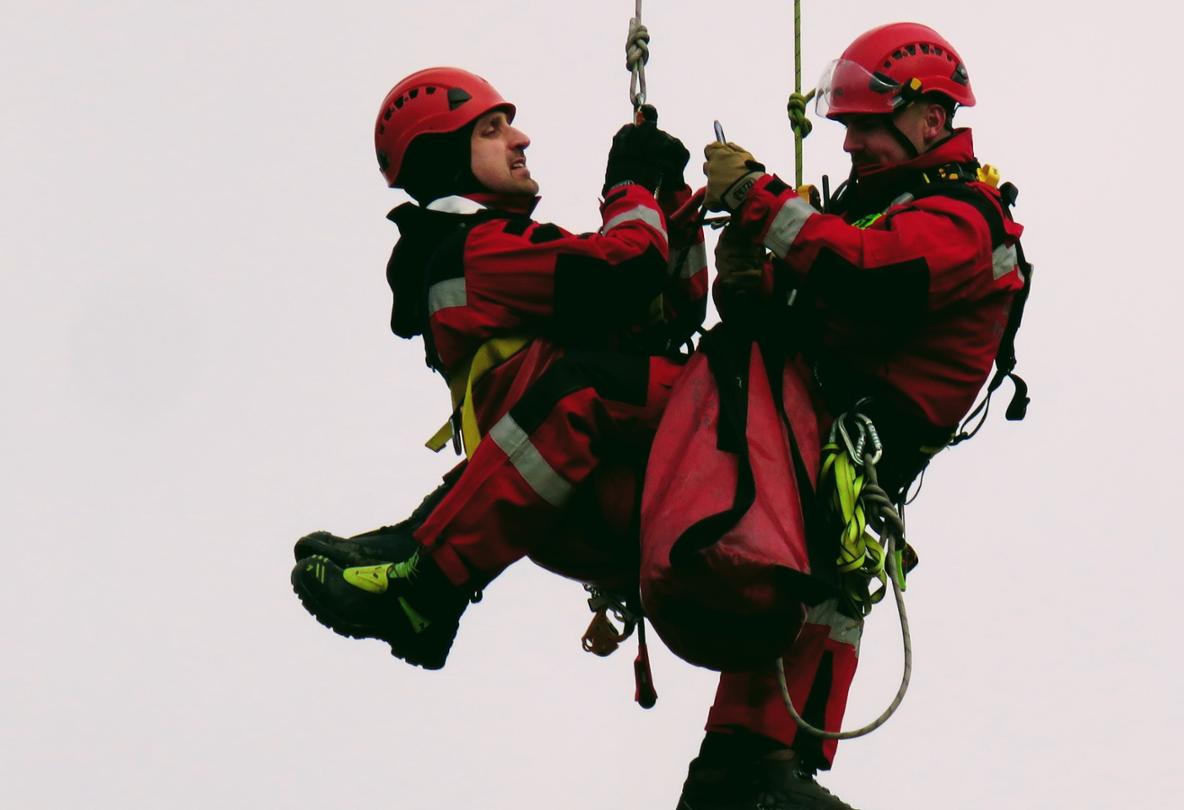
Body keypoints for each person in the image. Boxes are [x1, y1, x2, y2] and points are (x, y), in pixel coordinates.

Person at [291, 61, 866, 810]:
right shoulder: (471, 250)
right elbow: (625, 272)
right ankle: (427, 576)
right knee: (679, 376)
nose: (520, 138)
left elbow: (661, 311)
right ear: (443, 154)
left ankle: (752, 761)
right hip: (588, 460)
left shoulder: (507, 251)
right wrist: (632, 192)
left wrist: (677, 213)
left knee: (832, 530)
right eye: (493, 130)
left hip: (601, 480)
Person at [686, 19, 1033, 809]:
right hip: (827, 420)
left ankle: (770, 764)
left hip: (863, 432)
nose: (850, 146)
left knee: (816, 577)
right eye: (846, 129)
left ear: (930, 119)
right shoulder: (878, 212)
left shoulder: (964, 218)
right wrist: (751, 280)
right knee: (808, 580)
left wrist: (756, 198)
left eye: (867, 126)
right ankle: (742, 762)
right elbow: (830, 300)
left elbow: (874, 280)